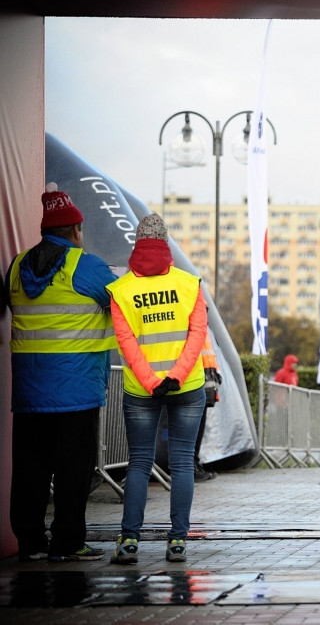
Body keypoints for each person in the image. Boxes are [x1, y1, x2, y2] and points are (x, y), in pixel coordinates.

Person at [5, 183, 116, 562]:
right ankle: (67, 543)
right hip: (77, 391)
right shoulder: (86, 266)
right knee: (73, 471)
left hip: (28, 392)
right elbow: (123, 302)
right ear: (75, 230)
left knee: (30, 470)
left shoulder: (16, 267)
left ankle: (31, 544)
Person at [106, 214, 208, 565]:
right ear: (165, 244)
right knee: (182, 463)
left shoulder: (121, 290)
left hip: (141, 391)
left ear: (137, 244)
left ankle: (128, 541)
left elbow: (126, 343)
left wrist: (151, 381)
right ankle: (177, 541)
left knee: (139, 463)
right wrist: (176, 376)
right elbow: (198, 335)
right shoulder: (189, 284)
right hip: (187, 386)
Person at [194, 333, 222, 482]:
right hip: (194, 382)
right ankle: (191, 465)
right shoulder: (195, 323)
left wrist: (216, 374)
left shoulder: (203, 327)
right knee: (193, 429)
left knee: (199, 427)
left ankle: (194, 463)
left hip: (204, 381)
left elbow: (208, 354)